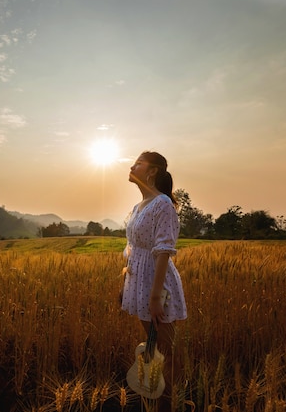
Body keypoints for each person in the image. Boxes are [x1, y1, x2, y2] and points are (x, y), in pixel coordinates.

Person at [121, 151, 187, 408]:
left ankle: (170, 403)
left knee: (165, 352)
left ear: (152, 171)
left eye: (138, 163)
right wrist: (123, 283)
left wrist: (156, 295)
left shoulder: (163, 205)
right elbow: (131, 247)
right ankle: (157, 401)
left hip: (156, 285)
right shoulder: (139, 206)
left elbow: (163, 251)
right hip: (138, 283)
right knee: (153, 349)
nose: (131, 166)